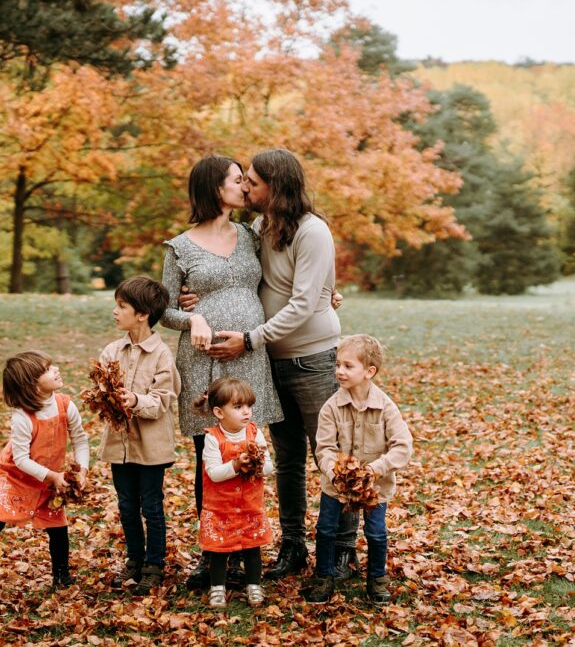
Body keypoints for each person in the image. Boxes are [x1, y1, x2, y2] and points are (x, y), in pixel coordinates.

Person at [203, 148, 359, 581]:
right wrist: (191, 297)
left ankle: (343, 550)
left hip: (313, 359)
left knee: (329, 455)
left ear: (277, 184)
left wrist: (251, 338)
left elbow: (306, 302)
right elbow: (236, 277)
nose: (246, 186)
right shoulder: (258, 227)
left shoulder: (313, 232)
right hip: (271, 361)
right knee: (287, 459)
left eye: (253, 180)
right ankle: (293, 547)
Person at [160, 154, 283, 589]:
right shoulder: (180, 246)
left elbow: (282, 277)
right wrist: (192, 319)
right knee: (209, 457)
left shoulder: (252, 235)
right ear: (215, 188)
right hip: (203, 360)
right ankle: (214, 551)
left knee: (250, 450)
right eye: (237, 180)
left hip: (249, 356)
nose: (245, 188)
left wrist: (326, 294)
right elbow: (165, 309)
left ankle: (249, 547)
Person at [0, 351, 90, 601]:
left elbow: (80, 438)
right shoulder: (22, 417)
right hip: (15, 475)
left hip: (51, 476)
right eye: (48, 369)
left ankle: (61, 575)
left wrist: (82, 470)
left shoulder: (65, 405)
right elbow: (22, 459)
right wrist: (52, 476)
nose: (56, 368)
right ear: (32, 385)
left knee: (57, 526)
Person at [302, 335, 413, 605]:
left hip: (375, 486)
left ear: (369, 371)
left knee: (376, 533)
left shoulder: (386, 407)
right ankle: (324, 576)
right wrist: (335, 472)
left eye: (348, 366)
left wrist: (375, 470)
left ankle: (376, 579)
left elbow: (403, 446)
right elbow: (324, 448)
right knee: (326, 529)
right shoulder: (331, 407)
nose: (340, 371)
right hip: (336, 486)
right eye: (338, 364)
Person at [98, 276, 181, 596]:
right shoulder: (111, 351)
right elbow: (102, 392)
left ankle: (154, 564)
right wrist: (106, 397)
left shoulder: (161, 355)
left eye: (122, 307)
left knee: (151, 506)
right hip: (120, 445)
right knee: (126, 504)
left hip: (151, 447)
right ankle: (134, 559)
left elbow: (162, 401)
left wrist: (134, 400)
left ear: (143, 314)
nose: (115, 312)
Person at [194, 377, 274, 608]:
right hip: (221, 507)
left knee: (252, 547)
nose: (246, 412)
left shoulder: (255, 434)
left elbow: (269, 467)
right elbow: (214, 473)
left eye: (249, 406)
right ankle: (217, 587)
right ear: (219, 412)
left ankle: (254, 586)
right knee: (219, 548)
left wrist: (256, 465)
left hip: (249, 504)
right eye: (238, 407)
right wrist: (236, 466)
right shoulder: (212, 438)